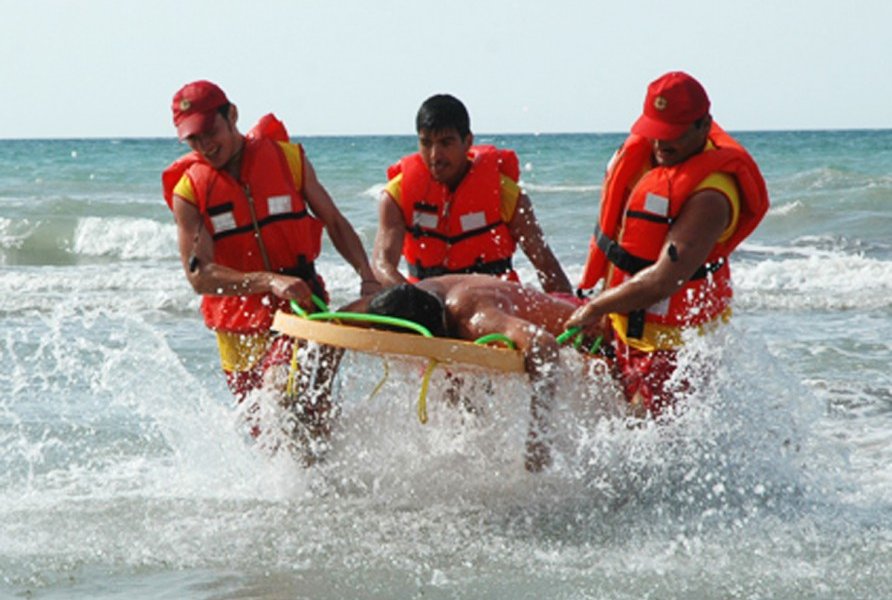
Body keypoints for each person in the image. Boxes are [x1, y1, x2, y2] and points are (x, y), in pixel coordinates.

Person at [161, 80, 381, 449]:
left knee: (291, 399)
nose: (205, 146)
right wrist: (268, 281)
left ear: (231, 115)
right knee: (271, 439)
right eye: (193, 140)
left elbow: (335, 221)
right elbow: (199, 277)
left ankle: (340, 489)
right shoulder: (190, 191)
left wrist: (367, 275)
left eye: (210, 132)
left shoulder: (287, 159)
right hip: (235, 327)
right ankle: (306, 502)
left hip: (301, 308)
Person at [568, 71, 769, 417]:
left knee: (640, 437)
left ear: (703, 126)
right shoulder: (646, 159)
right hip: (622, 329)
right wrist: (603, 310)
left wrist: (596, 307)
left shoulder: (712, 195)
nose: (660, 144)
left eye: (671, 135)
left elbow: (665, 279)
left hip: (677, 348)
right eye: (655, 133)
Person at [343, 274, 584, 473]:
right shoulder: (393, 304)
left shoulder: (474, 319)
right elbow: (333, 324)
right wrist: (316, 407)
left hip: (583, 326)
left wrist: (538, 437)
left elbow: (544, 345)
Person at [372, 94, 572, 295]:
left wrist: (572, 311)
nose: (435, 156)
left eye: (446, 143)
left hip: (492, 302)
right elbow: (382, 265)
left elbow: (546, 265)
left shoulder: (505, 194)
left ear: (467, 141)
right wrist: (414, 301)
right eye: (426, 143)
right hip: (427, 301)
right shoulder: (396, 196)